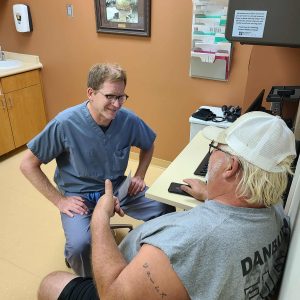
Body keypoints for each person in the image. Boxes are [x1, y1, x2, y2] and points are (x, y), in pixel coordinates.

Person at [37, 111, 294, 300]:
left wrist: (100, 220)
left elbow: (113, 296)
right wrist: (212, 195)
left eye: (216, 148)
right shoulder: (275, 211)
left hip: (119, 287)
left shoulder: (186, 242)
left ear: (230, 167)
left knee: (51, 283)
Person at [20, 63, 175, 277]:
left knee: (164, 209)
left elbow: (148, 144)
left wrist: (139, 175)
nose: (117, 104)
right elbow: (27, 164)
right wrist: (59, 201)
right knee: (80, 246)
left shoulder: (128, 120)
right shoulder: (65, 124)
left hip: (118, 187)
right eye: (110, 96)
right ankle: (90, 284)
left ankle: (150, 261)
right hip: (79, 194)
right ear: (90, 93)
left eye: (121, 97)